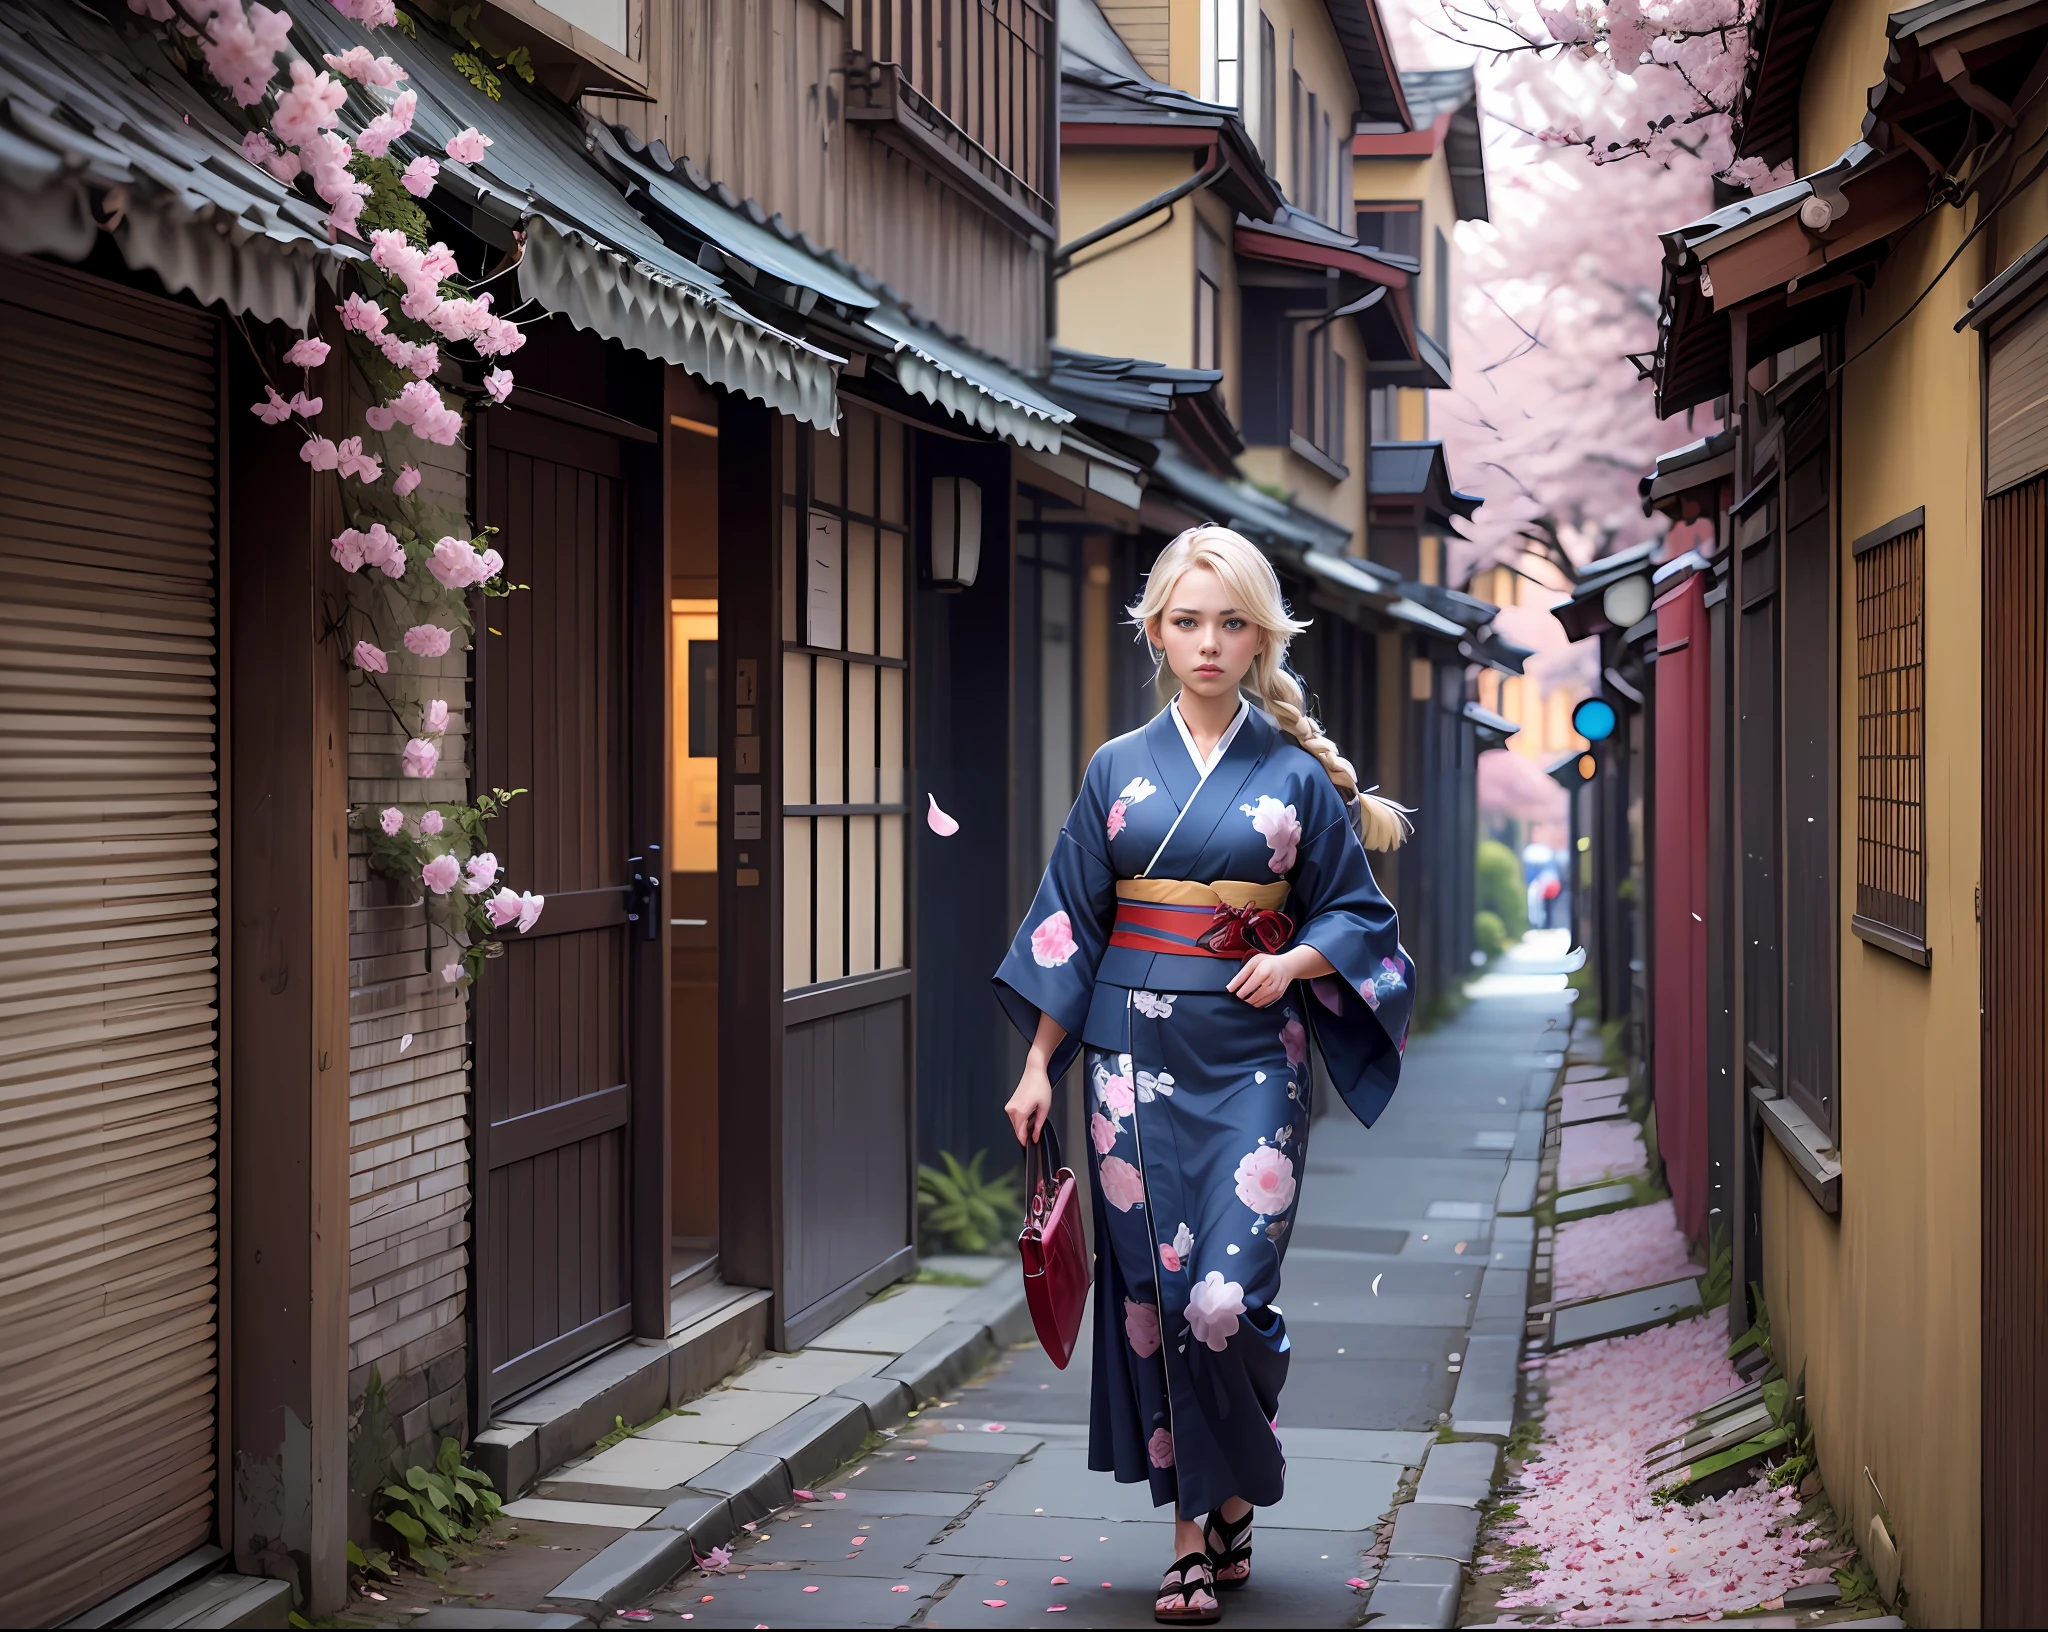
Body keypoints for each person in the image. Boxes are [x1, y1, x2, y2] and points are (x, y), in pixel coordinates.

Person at [993, 526, 1415, 1624]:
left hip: (1249, 1062)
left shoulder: (1290, 776)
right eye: (1187, 621)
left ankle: (1236, 1467)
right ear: (1154, 632)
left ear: (1259, 635)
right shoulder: (1114, 771)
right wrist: (1040, 1065)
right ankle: (1192, 1528)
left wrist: (1289, 960)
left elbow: (1360, 918)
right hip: (1128, 1062)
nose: (1209, 643)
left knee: (1224, 1299)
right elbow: (1067, 929)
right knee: (1153, 1300)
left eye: (1231, 623)